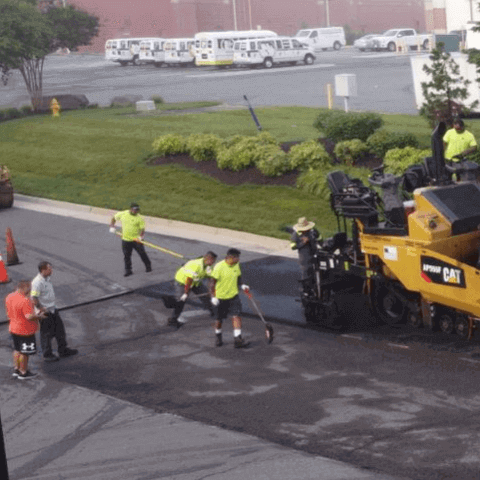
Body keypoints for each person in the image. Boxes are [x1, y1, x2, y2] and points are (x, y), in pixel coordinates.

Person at [31, 261, 78, 362]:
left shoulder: (47, 279)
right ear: (43, 270)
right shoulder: (37, 282)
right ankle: (47, 354)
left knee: (60, 330)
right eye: (49, 269)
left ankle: (63, 349)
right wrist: (40, 308)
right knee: (46, 333)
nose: (51, 270)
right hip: (45, 311)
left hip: (52, 308)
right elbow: (34, 297)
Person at [210, 248, 250, 349]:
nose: (238, 260)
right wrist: (213, 297)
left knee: (236, 315)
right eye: (237, 258)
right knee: (219, 319)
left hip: (233, 296)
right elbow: (211, 283)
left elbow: (238, 277)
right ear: (231, 257)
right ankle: (218, 336)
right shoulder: (219, 267)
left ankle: (238, 339)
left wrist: (242, 285)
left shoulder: (236, 265)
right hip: (220, 298)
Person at [6, 280, 46, 379]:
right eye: (29, 288)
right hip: (25, 330)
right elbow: (29, 316)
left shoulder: (10, 296)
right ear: (25, 288)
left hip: (14, 328)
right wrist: (39, 316)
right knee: (25, 352)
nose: (30, 290)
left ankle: (17, 368)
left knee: (17, 349)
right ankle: (23, 372)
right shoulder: (25, 300)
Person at [168, 251, 218, 328]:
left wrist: (212, 290)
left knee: (206, 296)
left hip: (196, 281)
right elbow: (189, 281)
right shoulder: (195, 265)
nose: (213, 262)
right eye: (213, 261)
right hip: (183, 282)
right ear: (208, 259)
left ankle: (214, 312)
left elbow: (210, 278)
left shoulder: (208, 265)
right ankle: (173, 320)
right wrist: (185, 293)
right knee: (181, 302)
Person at [110, 202, 152, 277]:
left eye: (137, 210)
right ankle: (128, 270)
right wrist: (112, 226)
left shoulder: (140, 218)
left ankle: (148, 265)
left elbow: (142, 229)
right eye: (134, 210)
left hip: (136, 240)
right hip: (125, 239)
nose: (135, 211)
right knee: (127, 256)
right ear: (131, 209)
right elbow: (114, 218)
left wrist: (140, 237)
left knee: (142, 253)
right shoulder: (123, 214)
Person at [289, 217, 321, 294]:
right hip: (305, 258)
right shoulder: (296, 234)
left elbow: (320, 239)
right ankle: (306, 292)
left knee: (317, 273)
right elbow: (293, 246)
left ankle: (317, 289)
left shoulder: (313, 232)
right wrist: (303, 243)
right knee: (306, 275)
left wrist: (321, 246)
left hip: (315, 255)